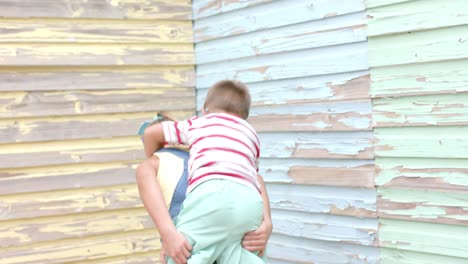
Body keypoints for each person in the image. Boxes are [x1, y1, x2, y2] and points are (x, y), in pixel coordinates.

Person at [137, 80, 269, 263]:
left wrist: (153, 155)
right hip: (249, 204)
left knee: (181, 254)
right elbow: (254, 178)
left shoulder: (197, 125)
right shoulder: (250, 133)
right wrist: (267, 221)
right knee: (243, 254)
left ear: (204, 109)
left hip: (209, 203)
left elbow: (150, 134)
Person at [136, 147, 272, 264]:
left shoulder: (156, 161)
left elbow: (143, 171)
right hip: (235, 228)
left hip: (190, 236)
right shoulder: (220, 156)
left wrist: (167, 232)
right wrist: (267, 221)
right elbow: (255, 177)